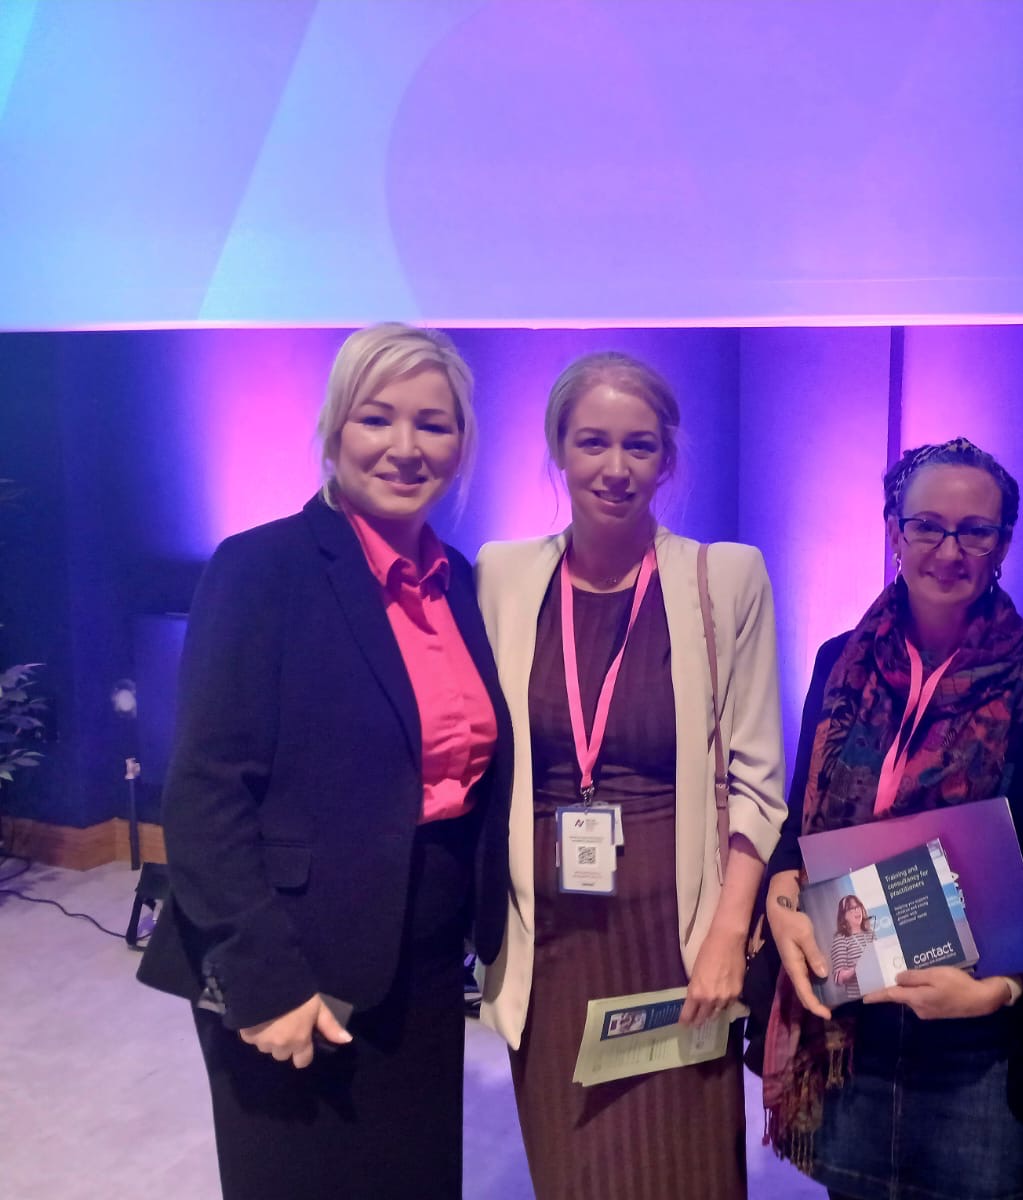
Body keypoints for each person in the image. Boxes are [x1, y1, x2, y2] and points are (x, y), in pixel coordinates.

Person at [137, 323, 512, 1199]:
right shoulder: (261, 568)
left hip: (422, 961)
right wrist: (263, 979)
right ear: (336, 430)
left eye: (435, 424)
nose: (406, 448)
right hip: (293, 959)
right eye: (378, 419)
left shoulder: (457, 579)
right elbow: (204, 793)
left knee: (412, 1178)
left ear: (463, 442)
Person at [473, 350, 786, 1199]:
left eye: (639, 446)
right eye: (592, 443)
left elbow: (759, 781)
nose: (615, 468)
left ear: (669, 459)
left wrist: (727, 936)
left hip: (676, 942)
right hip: (550, 944)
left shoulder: (724, 579)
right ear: (558, 451)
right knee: (573, 1176)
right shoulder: (502, 576)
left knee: (683, 1175)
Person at [761, 437, 1023, 1200]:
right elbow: (798, 830)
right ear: (893, 528)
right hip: (853, 1015)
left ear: (1004, 543)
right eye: (927, 525)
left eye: (975, 530)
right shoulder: (837, 663)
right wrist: (782, 900)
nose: (949, 549)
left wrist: (1000, 993)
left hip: (977, 1034)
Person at [830, 895, 875, 1001]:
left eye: (858, 906)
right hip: (859, 999)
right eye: (851, 908)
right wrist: (856, 968)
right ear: (843, 916)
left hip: (879, 992)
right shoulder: (841, 939)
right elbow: (838, 979)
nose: (857, 910)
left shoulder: (870, 934)